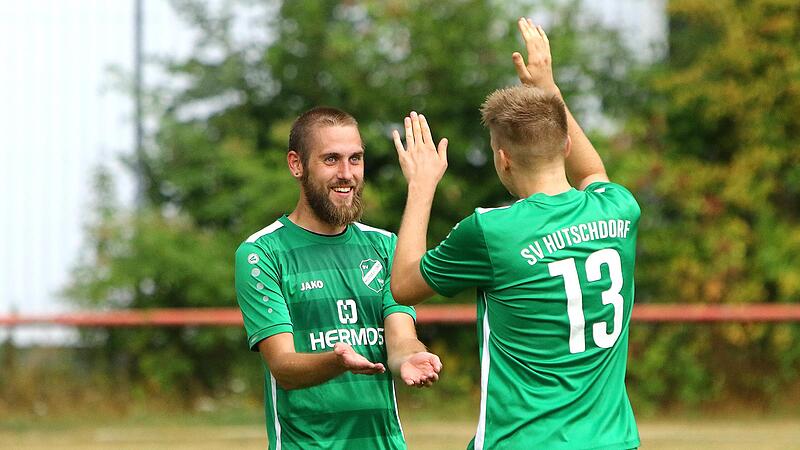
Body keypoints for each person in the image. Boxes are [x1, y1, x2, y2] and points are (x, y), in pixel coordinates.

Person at [389, 18, 640, 450]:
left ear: (503, 159)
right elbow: (592, 170)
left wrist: (421, 186)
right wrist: (548, 87)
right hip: (615, 441)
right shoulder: (620, 208)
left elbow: (404, 286)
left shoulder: (492, 230)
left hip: (522, 441)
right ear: (564, 144)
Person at [234, 106, 442, 450]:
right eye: (331, 160)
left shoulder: (385, 246)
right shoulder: (261, 253)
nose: (347, 173)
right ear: (296, 164)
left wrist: (410, 358)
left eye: (355, 159)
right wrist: (337, 361)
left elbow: (401, 338)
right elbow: (283, 367)